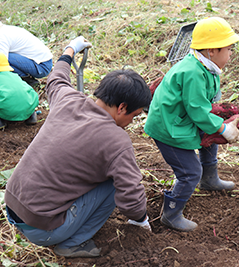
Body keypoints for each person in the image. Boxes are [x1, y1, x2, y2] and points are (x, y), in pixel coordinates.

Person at [4, 36, 152, 258]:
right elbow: (130, 194)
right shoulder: (116, 141)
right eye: (135, 115)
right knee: (113, 183)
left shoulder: (67, 99)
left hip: (12, 205)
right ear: (122, 107)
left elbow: (55, 79)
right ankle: (73, 243)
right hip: (42, 229)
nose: (132, 122)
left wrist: (70, 50)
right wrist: (142, 221)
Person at [144, 17, 239, 232]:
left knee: (210, 140)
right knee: (189, 172)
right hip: (168, 128)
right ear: (211, 50)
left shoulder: (207, 67)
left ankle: (210, 179)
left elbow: (204, 107)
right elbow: (198, 111)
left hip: (181, 118)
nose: (230, 53)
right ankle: (170, 214)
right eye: (228, 48)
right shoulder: (193, 72)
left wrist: (217, 123)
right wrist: (224, 128)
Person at [0, 22, 53, 86]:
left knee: (3, 60)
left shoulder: (2, 36)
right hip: (42, 62)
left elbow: (2, 62)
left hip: (42, 65)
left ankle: (28, 81)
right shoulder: (6, 29)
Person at [0, 53, 38, 129]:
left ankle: (1, 123)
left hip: (8, 111)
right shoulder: (15, 76)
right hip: (28, 107)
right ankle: (31, 116)